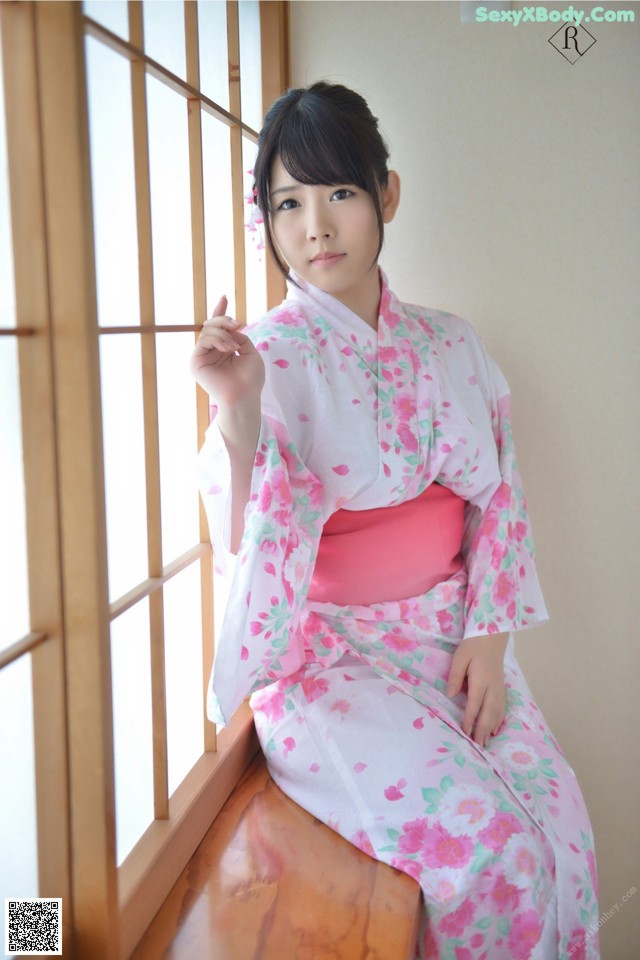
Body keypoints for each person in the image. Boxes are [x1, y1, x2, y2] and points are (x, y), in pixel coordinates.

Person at [190, 82, 600, 960]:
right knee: (487, 852)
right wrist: (237, 411)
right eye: (288, 202)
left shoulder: (453, 344)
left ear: (388, 194)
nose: (316, 227)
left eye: (339, 192)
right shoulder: (271, 357)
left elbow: (499, 496)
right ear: (264, 220)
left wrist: (489, 633)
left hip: (450, 635)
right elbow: (246, 534)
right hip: (332, 664)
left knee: (559, 823)